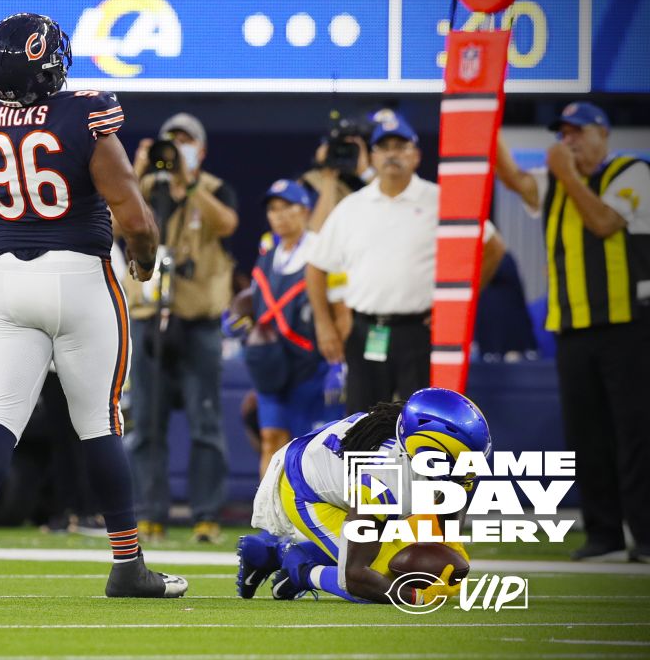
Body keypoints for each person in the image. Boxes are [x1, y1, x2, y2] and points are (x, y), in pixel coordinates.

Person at [0, 12, 187, 599]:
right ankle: (127, 564)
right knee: (99, 422)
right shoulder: (83, 113)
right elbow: (136, 221)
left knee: (2, 415)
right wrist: (145, 266)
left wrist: (9, 242)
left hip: (8, 281)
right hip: (81, 277)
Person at [494, 105, 650, 561]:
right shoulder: (553, 181)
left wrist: (566, 174)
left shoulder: (633, 172)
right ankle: (603, 533)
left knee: (635, 431)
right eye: (563, 134)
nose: (569, 141)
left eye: (577, 132)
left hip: (627, 324)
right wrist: (486, 115)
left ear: (602, 132)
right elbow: (513, 179)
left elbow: (603, 224)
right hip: (571, 327)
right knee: (586, 434)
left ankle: (645, 532)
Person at [306, 111, 504, 413]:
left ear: (416, 156)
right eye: (384, 148)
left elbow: (493, 247)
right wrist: (324, 325)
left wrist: (459, 307)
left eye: (401, 147)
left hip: (420, 333)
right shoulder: (352, 207)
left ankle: (417, 464)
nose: (392, 155)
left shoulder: (440, 200)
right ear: (372, 157)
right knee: (363, 425)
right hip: (367, 331)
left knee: (422, 424)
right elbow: (316, 265)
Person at [235, 388, 486, 604]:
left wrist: (451, 546)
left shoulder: (424, 452)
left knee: (407, 554)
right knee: (381, 578)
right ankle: (296, 565)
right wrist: (416, 598)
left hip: (341, 476)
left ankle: (265, 554)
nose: (469, 468)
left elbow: (452, 502)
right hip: (306, 489)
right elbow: (355, 576)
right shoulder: (385, 479)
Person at [124, 113, 238, 544]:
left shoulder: (212, 189)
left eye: (185, 141)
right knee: (146, 426)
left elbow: (227, 225)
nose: (175, 149)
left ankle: (206, 515)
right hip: (149, 319)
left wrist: (188, 184)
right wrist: (133, 174)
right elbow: (112, 225)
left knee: (204, 421)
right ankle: (150, 515)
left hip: (198, 323)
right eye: (169, 141)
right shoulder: (143, 191)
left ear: (200, 149)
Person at [228, 180, 329, 473]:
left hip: (309, 365)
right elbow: (258, 294)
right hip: (269, 364)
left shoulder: (320, 250)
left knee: (305, 447)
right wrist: (236, 313)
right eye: (273, 209)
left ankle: (305, 514)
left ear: (306, 211)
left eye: (287, 207)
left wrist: (339, 363)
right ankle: (269, 517)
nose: (279, 215)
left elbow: (337, 307)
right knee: (271, 438)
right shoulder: (267, 249)